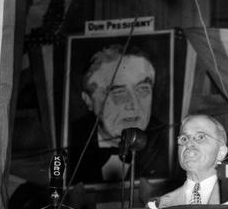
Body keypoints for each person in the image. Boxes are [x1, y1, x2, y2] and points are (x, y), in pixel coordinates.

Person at [69, 44, 168, 184]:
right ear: (89, 101)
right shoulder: (67, 140)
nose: (133, 105)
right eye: (118, 92)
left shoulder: (170, 142)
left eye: (142, 89)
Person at [156, 114, 228, 208]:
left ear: (221, 152)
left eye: (200, 137)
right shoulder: (160, 206)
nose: (189, 144)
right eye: (184, 139)